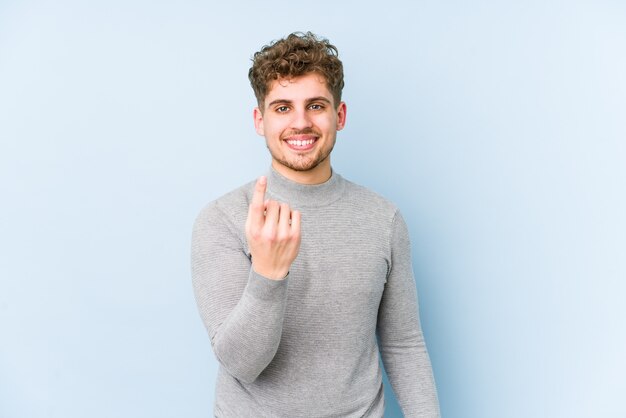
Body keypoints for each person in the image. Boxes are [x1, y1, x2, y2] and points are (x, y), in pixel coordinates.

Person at [191, 31, 440, 418]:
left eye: (316, 105)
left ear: (339, 115)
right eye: (283, 108)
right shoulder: (222, 219)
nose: (301, 123)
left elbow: (403, 345)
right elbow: (242, 364)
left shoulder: (383, 219)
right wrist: (269, 274)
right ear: (260, 120)